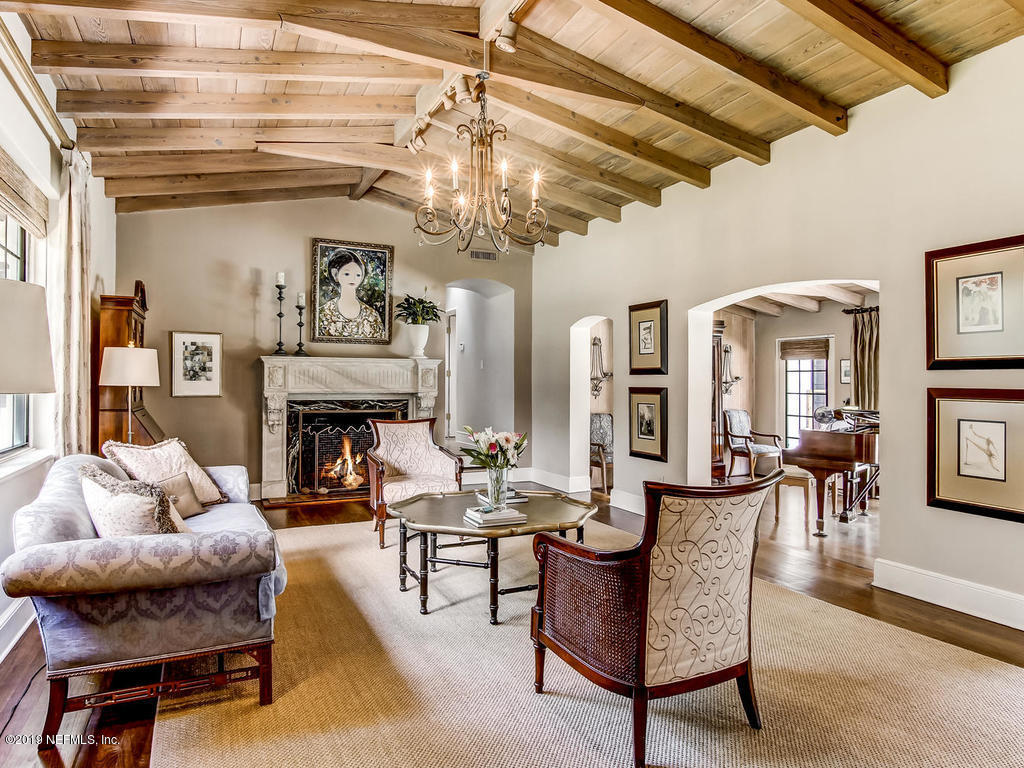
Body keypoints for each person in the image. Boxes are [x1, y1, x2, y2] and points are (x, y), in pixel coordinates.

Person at [318, 249, 385, 340]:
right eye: (347, 274)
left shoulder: (372, 315)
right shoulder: (324, 312)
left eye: (358, 275)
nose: (353, 278)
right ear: (335, 275)